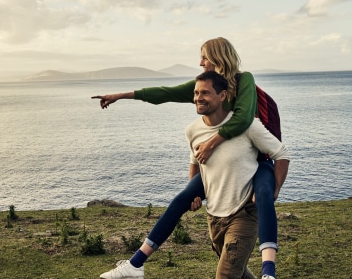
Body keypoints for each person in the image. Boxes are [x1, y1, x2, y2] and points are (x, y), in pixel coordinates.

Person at [94, 37, 287, 279]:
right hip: (224, 164)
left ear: (219, 57)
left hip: (258, 160)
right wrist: (121, 95)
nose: (200, 62)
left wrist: (212, 142)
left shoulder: (243, 79)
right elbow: (164, 93)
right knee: (183, 198)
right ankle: (135, 264)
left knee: (265, 197)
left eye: (205, 57)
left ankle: (269, 272)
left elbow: (244, 118)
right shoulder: (203, 88)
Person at [187, 71, 290, 278]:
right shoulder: (193, 129)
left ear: (223, 95)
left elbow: (282, 154)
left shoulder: (247, 125)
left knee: (226, 275)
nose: (198, 98)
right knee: (239, 273)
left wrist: (274, 190)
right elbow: (195, 161)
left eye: (205, 93)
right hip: (214, 215)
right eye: (196, 92)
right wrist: (193, 192)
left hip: (244, 214)